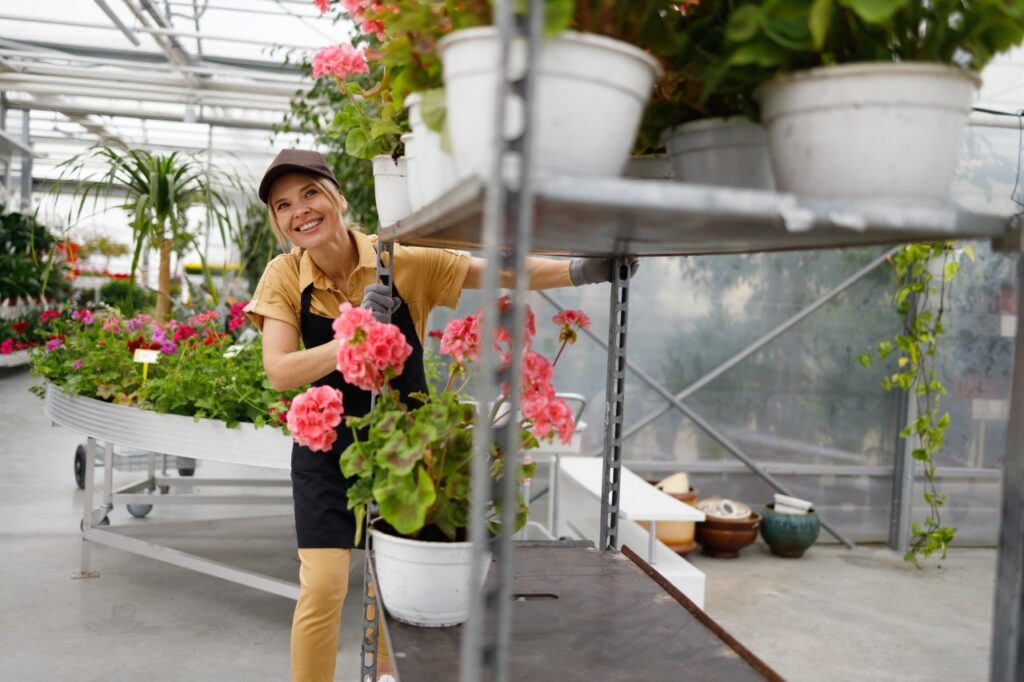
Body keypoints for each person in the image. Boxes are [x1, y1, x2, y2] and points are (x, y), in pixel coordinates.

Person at [244, 149, 635, 682]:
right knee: (323, 586)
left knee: (396, 588)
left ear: (337, 196)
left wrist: (581, 270)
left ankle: (389, 676)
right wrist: (353, 333)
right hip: (325, 452)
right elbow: (281, 371)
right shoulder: (284, 275)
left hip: (408, 451)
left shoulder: (400, 259)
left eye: (310, 193)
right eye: (283, 205)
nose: (300, 211)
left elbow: (498, 268)